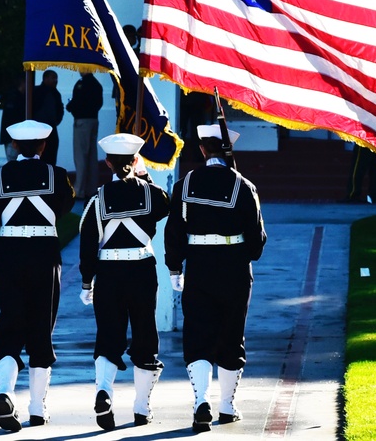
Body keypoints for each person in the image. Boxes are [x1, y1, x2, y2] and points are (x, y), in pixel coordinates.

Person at [165, 124, 267, 433]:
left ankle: (200, 402)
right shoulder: (243, 186)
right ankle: (227, 405)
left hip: (198, 266)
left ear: (202, 150)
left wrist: (175, 267)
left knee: (199, 334)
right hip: (234, 266)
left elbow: (174, 231)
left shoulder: (185, 184)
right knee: (231, 334)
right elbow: (257, 242)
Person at [0, 119, 75, 431]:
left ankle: (6, 392)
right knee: (40, 326)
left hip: (9, 254)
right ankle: (37, 407)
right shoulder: (58, 176)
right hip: (44, 254)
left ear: (14, 146)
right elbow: (64, 207)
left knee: (11, 320)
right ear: (44, 146)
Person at [77, 133, 171, 430]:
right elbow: (165, 205)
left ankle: (104, 392)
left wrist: (86, 281)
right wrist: (143, 176)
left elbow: (87, 244)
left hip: (108, 274)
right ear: (135, 160)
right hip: (142, 270)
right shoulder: (150, 194)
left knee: (108, 336)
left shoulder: (97, 200)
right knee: (145, 335)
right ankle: (142, 408)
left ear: (107, 162)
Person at [67, 72, 104, 199]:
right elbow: (99, 104)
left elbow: (77, 102)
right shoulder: (97, 84)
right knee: (92, 156)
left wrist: (70, 106)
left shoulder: (82, 84)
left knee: (80, 156)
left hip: (82, 121)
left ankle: (79, 189)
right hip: (94, 119)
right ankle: (91, 188)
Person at [32, 70, 64, 165]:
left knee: (50, 157)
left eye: (56, 78)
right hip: (41, 130)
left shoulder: (55, 93)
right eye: (53, 78)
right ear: (45, 78)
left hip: (49, 130)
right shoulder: (37, 92)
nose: (55, 80)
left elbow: (60, 110)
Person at [0, 74, 26, 163]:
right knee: (14, 161)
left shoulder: (13, 97)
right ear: (22, 84)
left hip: (12, 136)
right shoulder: (16, 98)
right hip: (13, 137)